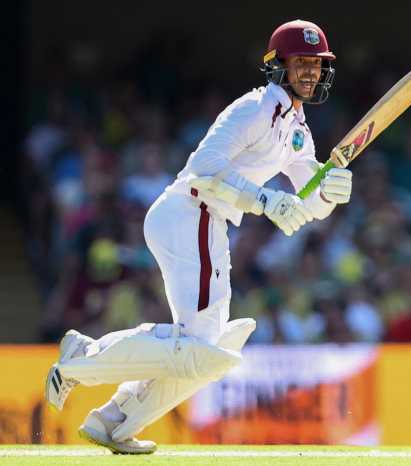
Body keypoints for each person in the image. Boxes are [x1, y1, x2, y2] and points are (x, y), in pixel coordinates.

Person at [44, 19, 353, 454]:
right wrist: (264, 200)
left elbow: (305, 201)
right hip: (191, 212)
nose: (310, 72)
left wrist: (330, 194)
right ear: (278, 65)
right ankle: (83, 357)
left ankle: (113, 420)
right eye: (301, 62)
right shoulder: (257, 109)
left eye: (316, 64)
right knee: (202, 350)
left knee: (205, 352)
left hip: (205, 221)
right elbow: (205, 168)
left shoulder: (297, 131)